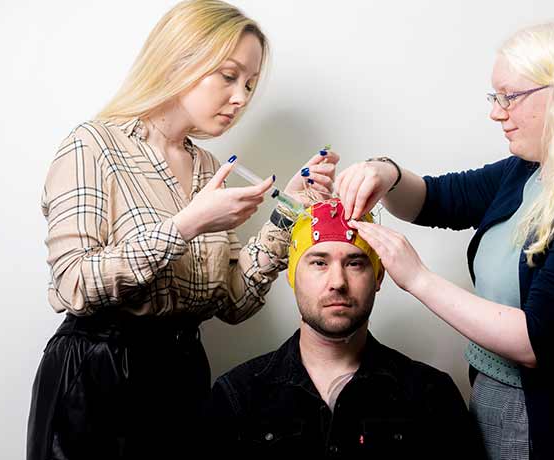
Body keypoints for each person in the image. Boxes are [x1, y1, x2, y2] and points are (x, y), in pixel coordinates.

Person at [335, 20, 554, 460]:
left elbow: (536, 342)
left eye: (510, 97)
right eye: (497, 97)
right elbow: (436, 200)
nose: (497, 112)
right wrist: (383, 172)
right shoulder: (530, 170)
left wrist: (416, 278)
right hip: (499, 403)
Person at [26, 2, 339, 459]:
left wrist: (289, 208)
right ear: (178, 61)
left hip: (182, 375)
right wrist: (188, 224)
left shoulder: (207, 167)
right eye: (229, 76)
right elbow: (74, 282)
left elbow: (233, 302)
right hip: (96, 379)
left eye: (249, 84)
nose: (241, 98)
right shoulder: (93, 146)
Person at [205, 198, 480, 456]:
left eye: (355, 263)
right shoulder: (237, 395)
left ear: (379, 277)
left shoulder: (430, 394)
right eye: (319, 263)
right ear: (292, 276)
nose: (337, 281)